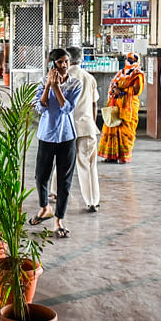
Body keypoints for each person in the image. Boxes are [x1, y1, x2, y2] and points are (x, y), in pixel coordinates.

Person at [28, 48, 80, 238]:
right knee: (41, 176)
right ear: (51, 64)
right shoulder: (43, 82)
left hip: (67, 137)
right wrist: (49, 85)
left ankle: (59, 219)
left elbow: (67, 108)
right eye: (60, 62)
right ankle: (44, 208)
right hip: (47, 135)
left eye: (66, 61)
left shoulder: (76, 84)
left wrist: (57, 87)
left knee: (64, 181)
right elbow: (40, 108)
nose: (64, 65)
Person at [65, 46, 100, 213]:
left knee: (62, 162)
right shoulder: (89, 77)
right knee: (88, 164)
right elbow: (94, 104)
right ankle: (92, 200)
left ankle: (54, 191)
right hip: (86, 127)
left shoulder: (64, 77)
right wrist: (91, 123)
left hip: (67, 128)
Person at [98, 52, 146, 164]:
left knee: (125, 131)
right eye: (128, 59)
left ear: (137, 61)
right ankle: (111, 156)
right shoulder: (120, 73)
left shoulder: (138, 74)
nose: (130, 61)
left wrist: (122, 92)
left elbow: (136, 91)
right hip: (115, 105)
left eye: (133, 60)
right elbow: (113, 85)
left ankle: (124, 157)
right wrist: (115, 90)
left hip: (128, 107)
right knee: (111, 128)